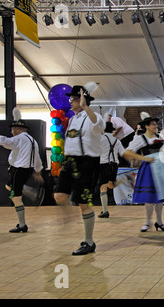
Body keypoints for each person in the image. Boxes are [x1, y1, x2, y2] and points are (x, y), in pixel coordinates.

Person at [54, 84, 105, 255]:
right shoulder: (73, 119)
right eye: (71, 99)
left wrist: (86, 108)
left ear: (83, 100)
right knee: (59, 195)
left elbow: (99, 126)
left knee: (84, 203)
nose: (70, 102)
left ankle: (89, 242)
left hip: (87, 163)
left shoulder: (93, 116)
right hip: (71, 161)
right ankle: (71, 216)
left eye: (73, 99)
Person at [0, 115, 43, 233]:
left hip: (19, 170)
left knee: (16, 197)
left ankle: (22, 224)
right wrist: (38, 172)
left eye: (12, 129)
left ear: (18, 129)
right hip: (25, 170)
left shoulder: (20, 138)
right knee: (9, 186)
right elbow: (37, 158)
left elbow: (6, 142)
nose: (11, 131)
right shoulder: (33, 141)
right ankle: (29, 192)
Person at [126, 112, 164, 232]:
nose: (155, 126)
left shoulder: (160, 138)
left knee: (160, 195)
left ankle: (159, 222)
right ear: (147, 126)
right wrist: (143, 158)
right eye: (153, 124)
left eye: (156, 124)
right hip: (148, 169)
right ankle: (147, 222)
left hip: (161, 168)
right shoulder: (140, 138)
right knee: (149, 197)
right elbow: (128, 152)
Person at [98, 121, 154, 218]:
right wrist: (141, 158)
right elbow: (124, 153)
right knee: (110, 185)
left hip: (104, 164)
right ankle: (123, 179)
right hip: (114, 165)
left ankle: (105, 211)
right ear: (112, 130)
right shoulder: (117, 141)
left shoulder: (101, 139)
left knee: (103, 188)